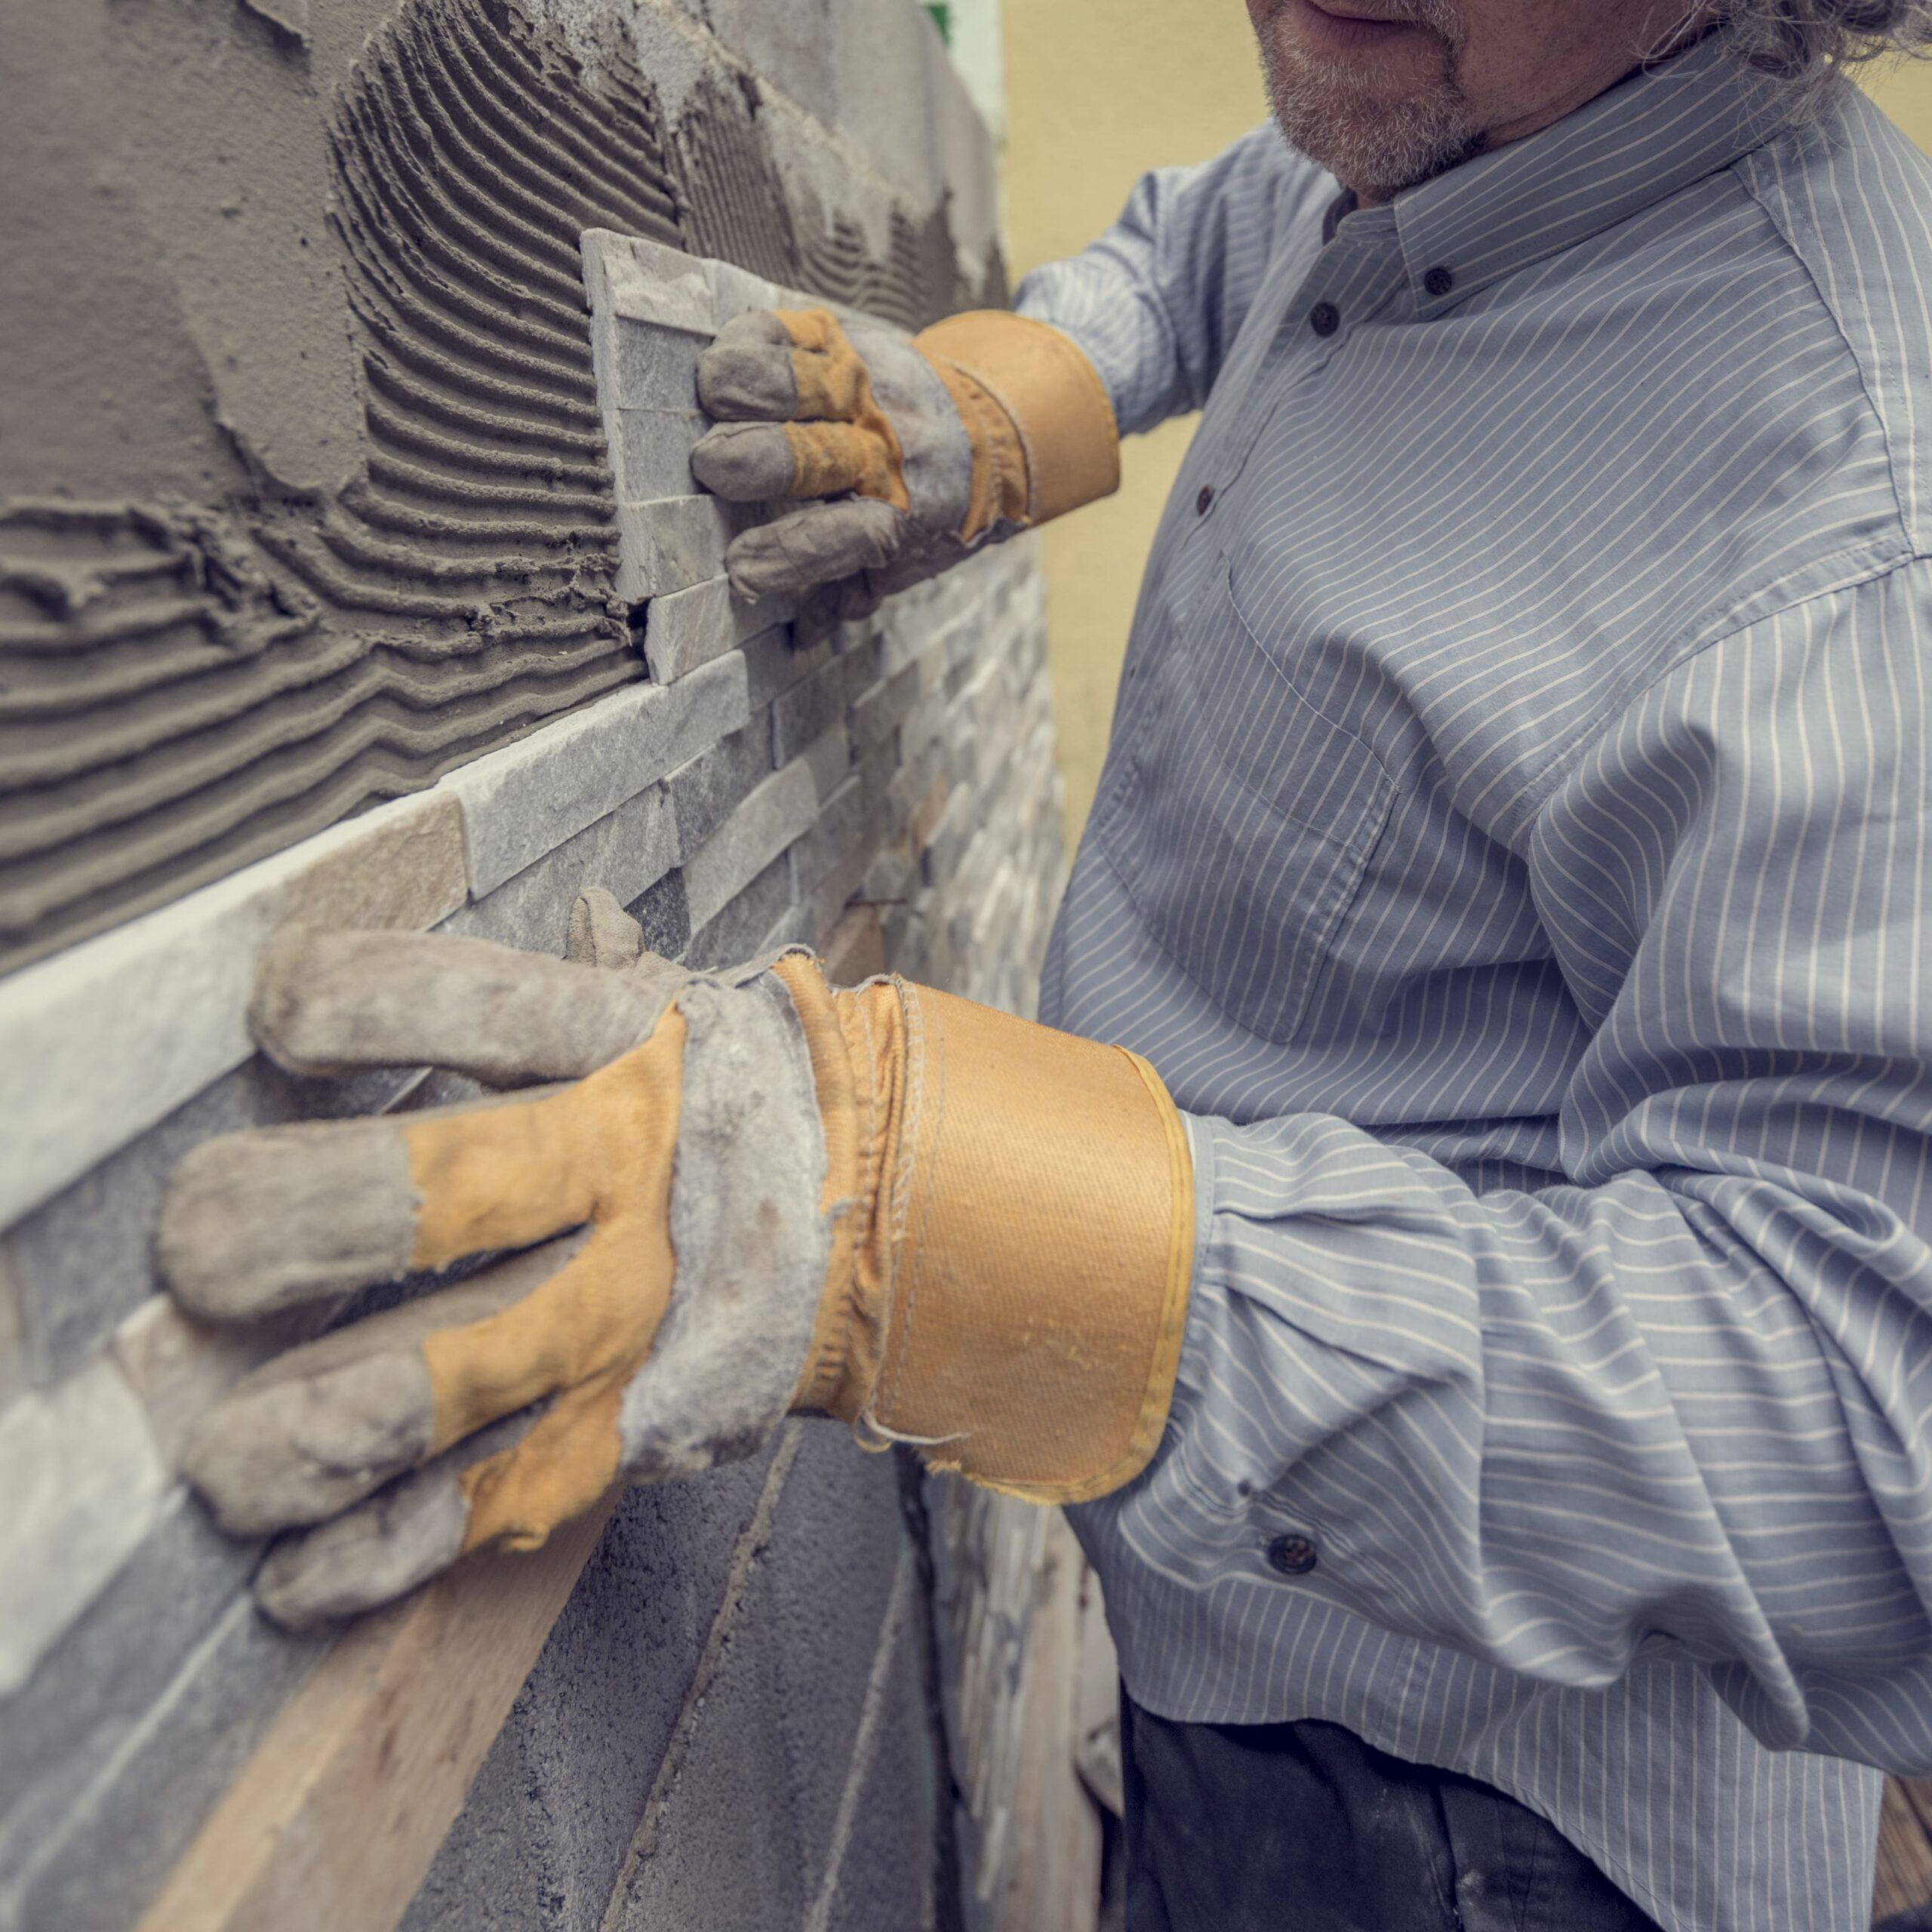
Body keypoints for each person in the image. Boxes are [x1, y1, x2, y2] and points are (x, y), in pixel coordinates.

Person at [156, 0, 1932, 1925]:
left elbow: (1857, 1431)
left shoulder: (1846, 524)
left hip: (1488, 1827)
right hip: (1223, 1649)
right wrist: (1016, 394)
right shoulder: (1437, 108)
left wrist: (959, 1233)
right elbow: (1222, 228)